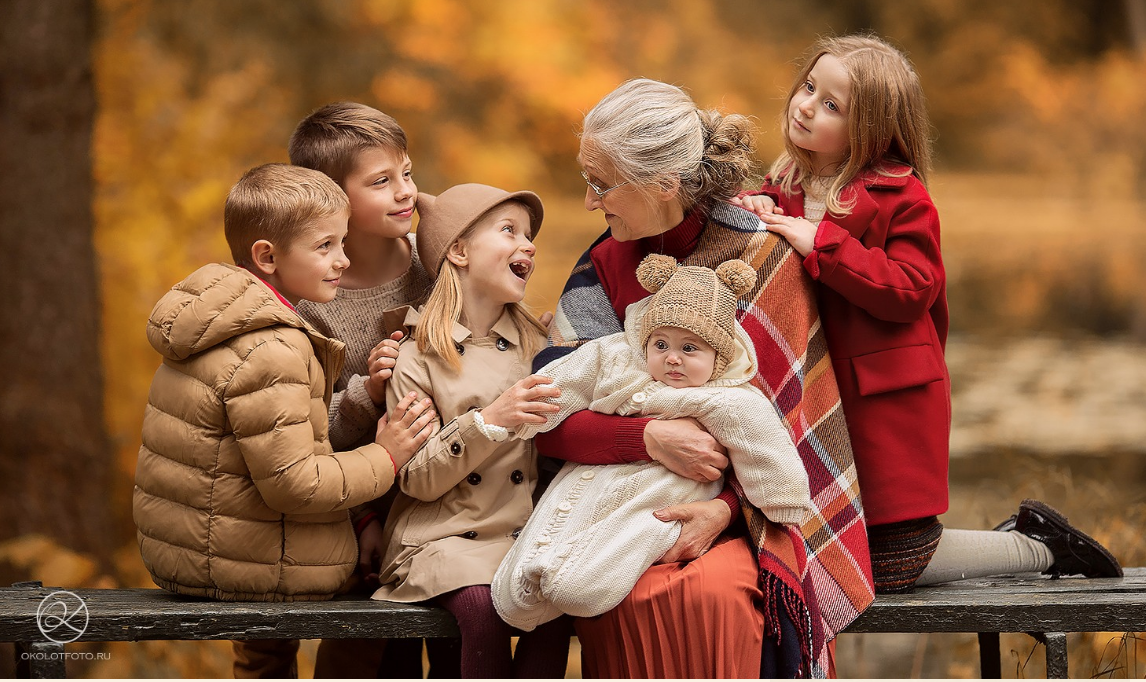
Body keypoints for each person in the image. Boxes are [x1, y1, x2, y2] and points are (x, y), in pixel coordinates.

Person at [734, 33, 1122, 593]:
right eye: (810, 87)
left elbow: (912, 287)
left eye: (831, 106)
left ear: (872, 132)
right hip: (815, 392)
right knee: (816, 541)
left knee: (893, 563)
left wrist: (821, 244)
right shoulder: (787, 182)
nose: (806, 105)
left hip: (883, 399)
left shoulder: (903, 196)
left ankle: (1037, 546)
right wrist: (757, 207)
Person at [536, 78, 874, 678]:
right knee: (620, 593)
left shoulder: (762, 259)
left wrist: (723, 509)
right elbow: (546, 424)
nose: (589, 201)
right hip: (614, 507)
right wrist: (645, 439)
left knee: (716, 597)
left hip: (745, 513)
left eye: (601, 183)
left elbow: (785, 433)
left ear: (664, 183)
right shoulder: (603, 265)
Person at [131, 164, 435, 678]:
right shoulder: (274, 348)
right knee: (397, 576)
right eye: (324, 247)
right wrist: (387, 454)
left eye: (342, 243)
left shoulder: (217, 315)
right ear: (267, 256)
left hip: (189, 550)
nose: (342, 260)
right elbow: (297, 483)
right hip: (243, 561)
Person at [493, 254, 812, 632]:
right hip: (592, 477)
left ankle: (598, 568)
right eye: (661, 344)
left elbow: (767, 449)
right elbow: (570, 377)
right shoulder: (618, 361)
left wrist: (784, 502)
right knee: (517, 593)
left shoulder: (731, 400)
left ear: (718, 358)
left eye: (690, 349)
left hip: (662, 492)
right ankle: (531, 581)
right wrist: (532, 411)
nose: (672, 358)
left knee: (585, 579)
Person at [373, 183, 572, 679]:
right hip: (441, 538)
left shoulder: (538, 346)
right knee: (480, 607)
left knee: (553, 612)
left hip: (521, 537)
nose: (528, 245)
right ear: (458, 251)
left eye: (529, 236)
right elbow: (415, 478)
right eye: (509, 231)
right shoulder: (417, 356)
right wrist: (490, 422)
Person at [287, 101, 446, 679]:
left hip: (452, 495)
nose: (405, 191)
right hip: (359, 510)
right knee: (369, 654)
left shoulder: (438, 262)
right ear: (332, 199)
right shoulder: (313, 301)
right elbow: (307, 433)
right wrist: (366, 394)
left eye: (407, 172)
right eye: (381, 181)